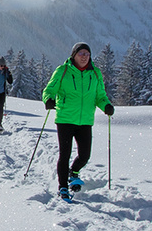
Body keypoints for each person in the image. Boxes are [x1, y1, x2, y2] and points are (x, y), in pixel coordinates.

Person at [41, 42, 114, 200]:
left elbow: (99, 95)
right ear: (73, 55)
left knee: (85, 155)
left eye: (87, 54)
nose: (84, 57)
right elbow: (49, 89)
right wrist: (48, 99)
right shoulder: (63, 70)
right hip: (65, 119)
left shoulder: (95, 73)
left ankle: (73, 172)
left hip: (85, 121)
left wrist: (106, 105)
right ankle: (63, 187)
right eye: (81, 53)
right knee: (64, 155)